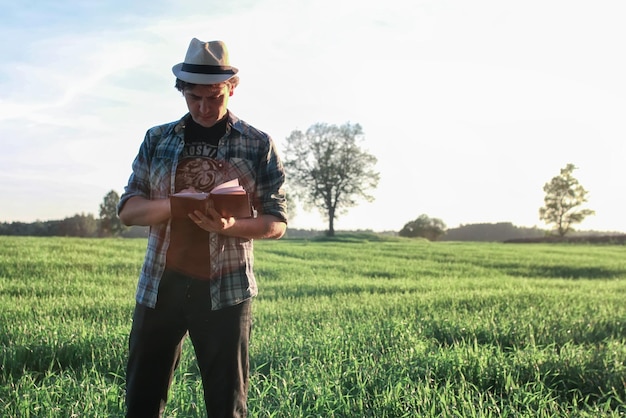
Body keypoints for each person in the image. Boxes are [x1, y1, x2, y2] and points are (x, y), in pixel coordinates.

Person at [117, 38, 287, 418]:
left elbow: (276, 222)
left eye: (215, 97)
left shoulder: (257, 144)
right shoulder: (157, 140)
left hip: (226, 291)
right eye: (194, 98)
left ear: (232, 88)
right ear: (182, 91)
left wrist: (231, 225)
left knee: (227, 406)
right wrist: (177, 204)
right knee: (142, 401)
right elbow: (129, 211)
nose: (204, 108)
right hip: (160, 286)